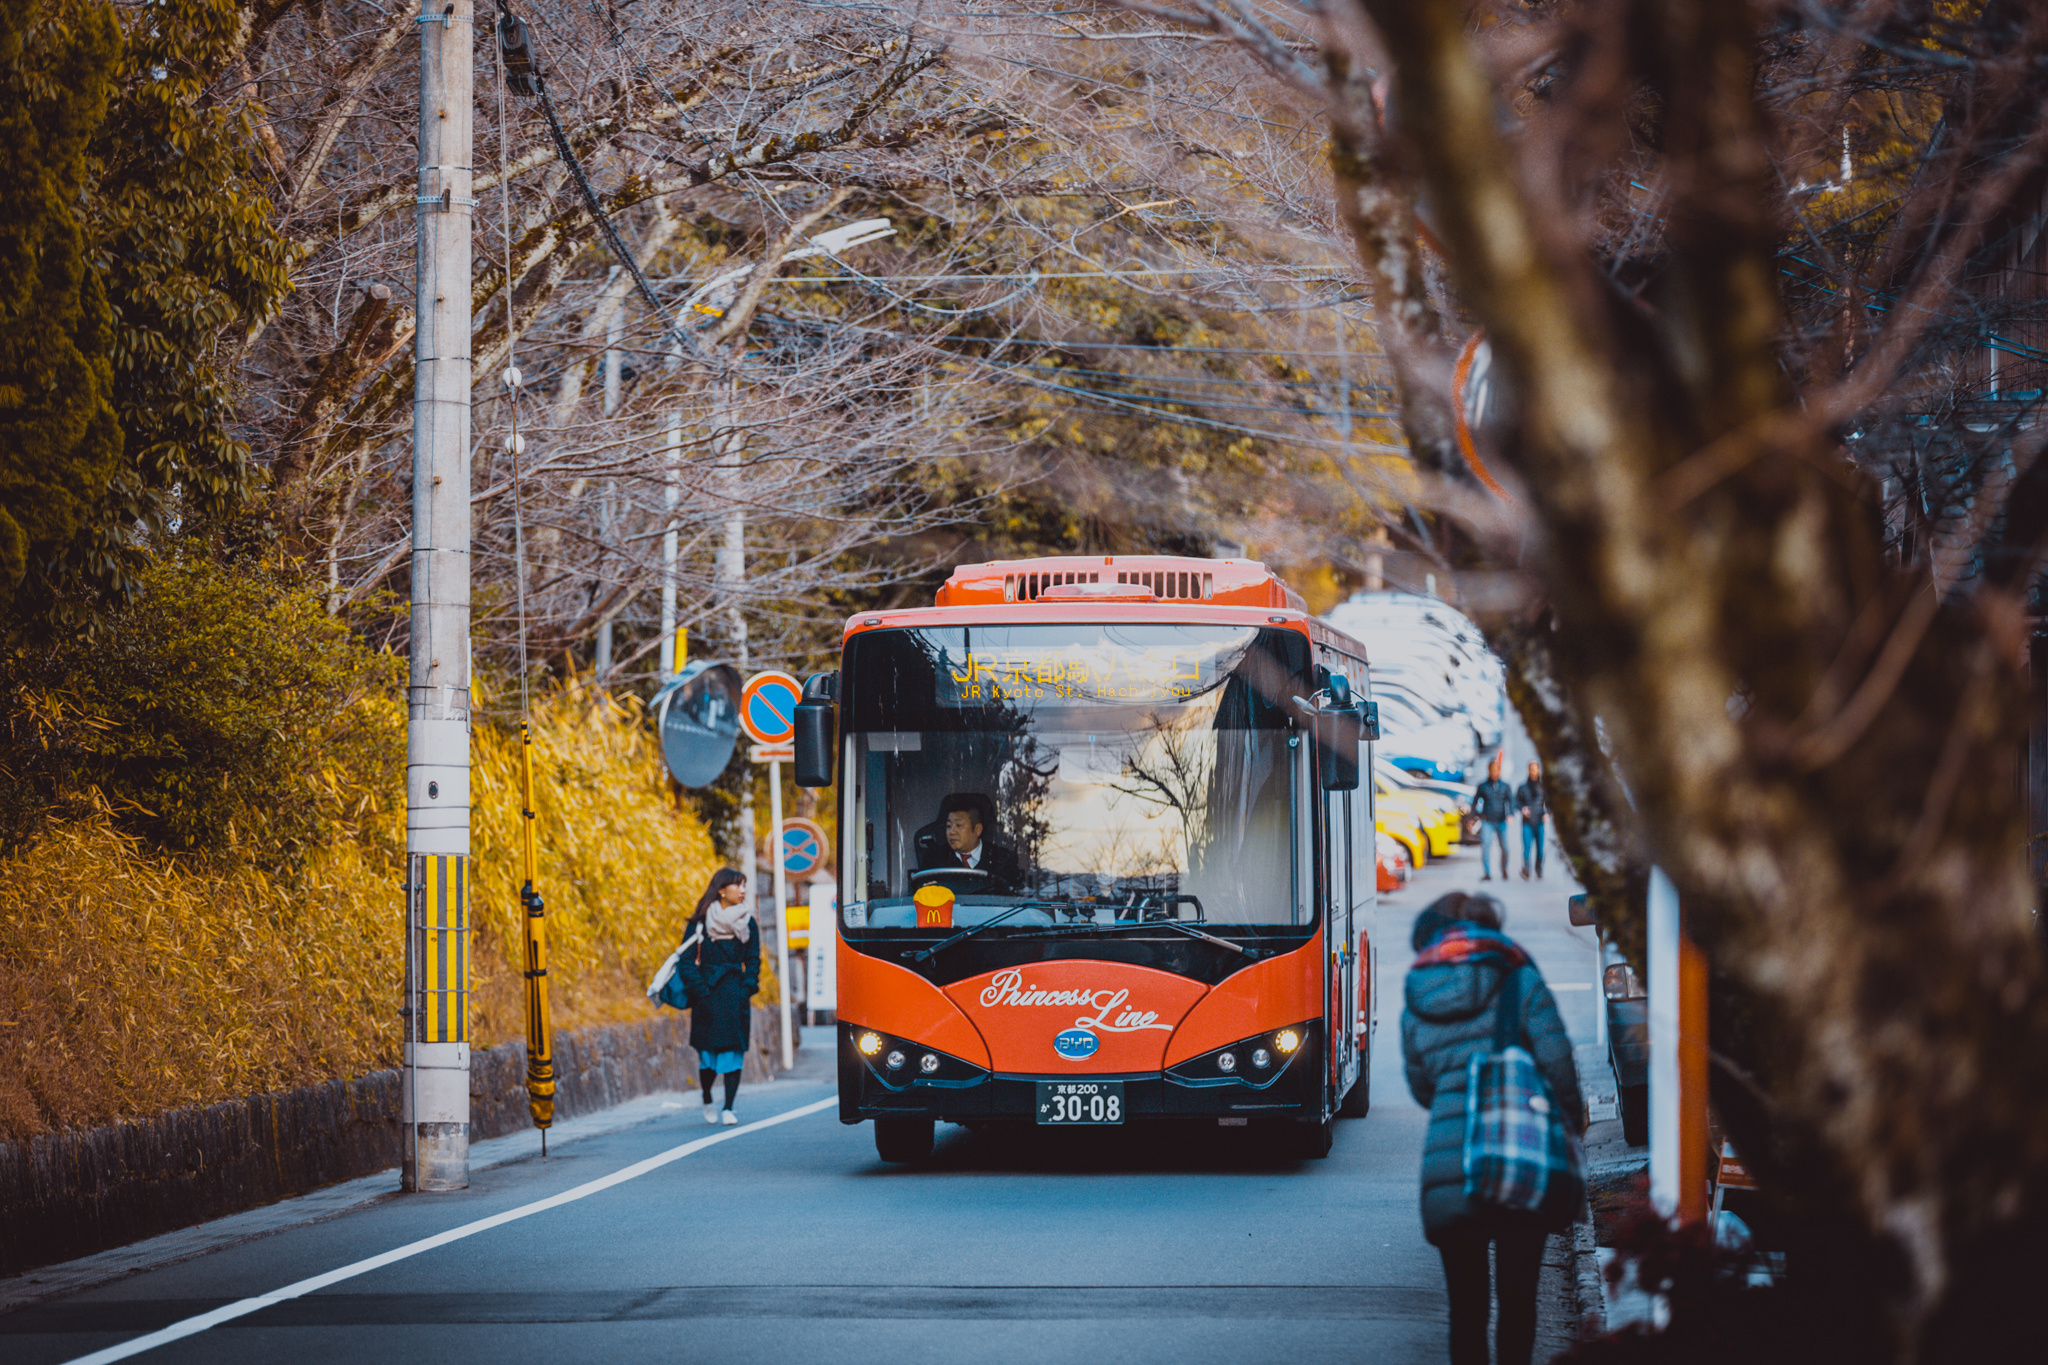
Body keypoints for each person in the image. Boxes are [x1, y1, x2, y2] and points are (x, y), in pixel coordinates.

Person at [1402, 892, 1582, 1365]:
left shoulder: (1419, 989)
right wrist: (1570, 1123)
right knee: (1518, 1302)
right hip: (1519, 1155)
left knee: (1466, 1309)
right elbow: (1558, 1065)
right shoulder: (1519, 976)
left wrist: (1455, 1092)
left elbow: (1422, 1088)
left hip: (1451, 1168)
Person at [676, 868, 760, 1126]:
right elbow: (686, 961)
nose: (743, 890)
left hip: (735, 995)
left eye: (744, 885)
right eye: (737, 885)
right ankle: (707, 1096)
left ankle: (729, 1107)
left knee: (734, 1052)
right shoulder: (700, 923)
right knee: (708, 1057)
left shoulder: (748, 922)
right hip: (707, 995)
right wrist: (701, 991)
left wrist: (746, 987)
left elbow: (753, 960)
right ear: (722, 890)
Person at [913, 792, 1023, 891]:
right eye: (948, 826)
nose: (952, 832)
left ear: (977, 829)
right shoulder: (933, 860)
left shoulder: (1003, 859)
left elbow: (1015, 896)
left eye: (959, 825)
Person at [1471, 755, 1512, 882]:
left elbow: (1511, 801)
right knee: (1486, 846)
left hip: (1501, 821)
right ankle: (1487, 873)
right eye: (1492, 770)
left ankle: (1504, 869)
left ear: (1500, 771)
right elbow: (1475, 802)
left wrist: (1510, 814)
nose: (1495, 773)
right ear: (1489, 771)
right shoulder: (1483, 786)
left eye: (1497, 770)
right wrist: (1474, 817)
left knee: (1505, 848)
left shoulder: (1505, 786)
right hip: (1487, 821)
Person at [1514, 761, 1547, 880]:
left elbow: (1550, 803)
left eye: (1535, 769)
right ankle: (1526, 869)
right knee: (1526, 848)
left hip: (1539, 822)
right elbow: (1516, 802)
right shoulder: (1522, 787)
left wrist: (1547, 814)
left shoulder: (1543, 787)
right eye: (1531, 769)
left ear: (1538, 770)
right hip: (1527, 823)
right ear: (1528, 770)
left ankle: (1539, 869)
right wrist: (1522, 808)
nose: (1533, 771)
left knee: (1540, 850)